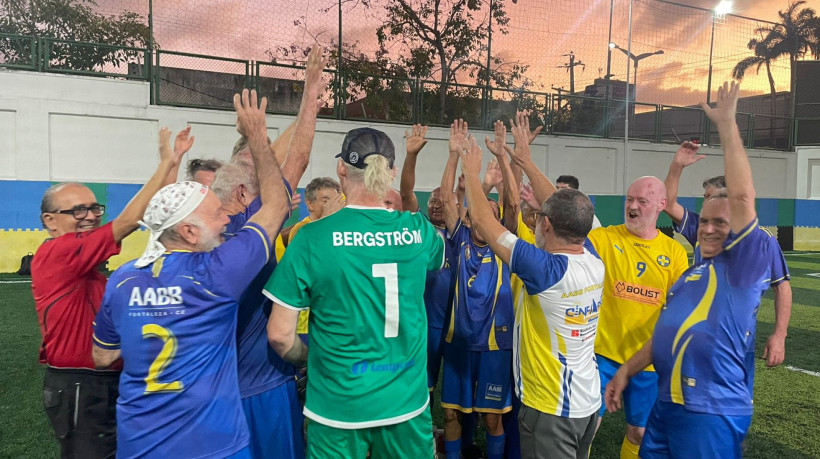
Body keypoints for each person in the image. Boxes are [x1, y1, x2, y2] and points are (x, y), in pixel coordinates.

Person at [91, 88, 291, 458]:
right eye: (216, 212)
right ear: (188, 232)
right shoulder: (218, 273)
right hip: (213, 444)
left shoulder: (122, 279)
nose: (227, 217)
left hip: (140, 443)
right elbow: (277, 205)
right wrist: (257, 136)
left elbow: (103, 357)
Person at [605, 81, 772, 459]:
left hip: (710, 408)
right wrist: (626, 371)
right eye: (706, 221)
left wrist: (727, 125)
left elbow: (743, 197)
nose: (709, 229)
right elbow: (667, 333)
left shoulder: (743, 267)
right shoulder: (694, 273)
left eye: (721, 223)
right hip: (670, 402)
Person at [265, 126, 445, 458]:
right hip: (405, 404)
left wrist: (308, 357)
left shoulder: (311, 238)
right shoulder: (418, 231)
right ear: (390, 172)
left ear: (341, 170)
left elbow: (279, 335)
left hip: (337, 407)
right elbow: (436, 257)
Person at [31, 126, 192, 458]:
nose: (89, 216)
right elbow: (132, 219)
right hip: (80, 385)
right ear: (50, 221)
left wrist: (173, 167)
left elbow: (157, 218)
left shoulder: (86, 268)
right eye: (77, 210)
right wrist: (165, 163)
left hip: (103, 382)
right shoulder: (56, 254)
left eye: (94, 208)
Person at [457, 119, 605, 459]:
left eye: (538, 216)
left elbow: (483, 222)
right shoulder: (592, 257)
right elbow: (561, 203)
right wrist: (523, 160)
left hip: (552, 409)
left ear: (547, 224)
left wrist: (471, 167)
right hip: (586, 403)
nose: (535, 220)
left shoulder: (544, 270)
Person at [212, 46, 327, 459]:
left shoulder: (197, 232)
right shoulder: (250, 231)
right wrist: (310, 90)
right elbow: (297, 158)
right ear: (245, 193)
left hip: (212, 394)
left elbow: (277, 159)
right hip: (262, 386)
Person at [663, 144, 791, 373]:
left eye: (709, 197)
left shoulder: (763, 240)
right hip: (695, 335)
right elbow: (669, 204)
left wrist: (779, 336)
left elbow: (782, 287)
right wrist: (677, 166)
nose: (705, 204)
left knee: (732, 403)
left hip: (737, 342)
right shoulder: (701, 229)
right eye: (705, 198)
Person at [588, 173, 688, 457]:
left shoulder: (674, 253)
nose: (632, 206)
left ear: (661, 204)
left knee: (640, 433)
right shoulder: (603, 238)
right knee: (586, 425)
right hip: (601, 355)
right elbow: (570, 220)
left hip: (648, 361)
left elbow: (678, 310)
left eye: (642, 201)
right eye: (630, 199)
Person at [440, 120, 515, 459]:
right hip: (459, 343)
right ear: (469, 220)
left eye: (492, 216)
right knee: (451, 414)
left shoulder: (506, 245)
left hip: (495, 346)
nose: (486, 220)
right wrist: (453, 154)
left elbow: (513, 204)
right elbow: (445, 199)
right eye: (479, 215)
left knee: (491, 418)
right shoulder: (459, 241)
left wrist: (504, 159)